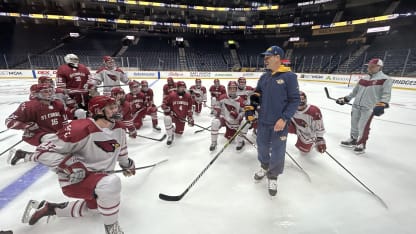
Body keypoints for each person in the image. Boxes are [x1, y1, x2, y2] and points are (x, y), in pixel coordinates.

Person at [21, 95, 135, 234]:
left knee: (97, 208)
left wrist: (127, 164)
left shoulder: (119, 128)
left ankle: (50, 208)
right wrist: (70, 164)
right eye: (111, 108)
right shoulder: (79, 128)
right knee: (111, 184)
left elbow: (120, 149)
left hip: (100, 179)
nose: (116, 110)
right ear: (98, 110)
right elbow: (42, 151)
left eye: (116, 107)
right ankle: (113, 230)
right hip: (76, 179)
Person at [245, 45, 300, 196]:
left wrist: (284, 118)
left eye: (268, 56)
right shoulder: (264, 76)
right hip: (263, 121)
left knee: (277, 151)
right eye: (265, 57)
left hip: (279, 123)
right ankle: (264, 166)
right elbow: (257, 93)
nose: (265, 59)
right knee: (262, 147)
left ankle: (273, 175)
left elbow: (294, 100)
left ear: (277, 58)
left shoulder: (289, 77)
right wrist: (252, 106)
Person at [335, 58, 393, 154]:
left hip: (369, 108)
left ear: (379, 67)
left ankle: (361, 143)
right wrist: (346, 99)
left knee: (363, 126)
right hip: (356, 106)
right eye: (369, 66)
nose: (369, 68)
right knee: (354, 124)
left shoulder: (385, 79)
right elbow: (355, 91)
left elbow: (386, 94)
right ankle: (353, 139)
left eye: (372, 66)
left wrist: (382, 104)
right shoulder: (363, 78)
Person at [5, 83, 68, 165]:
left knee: (68, 148)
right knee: (60, 153)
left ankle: (24, 155)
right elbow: (9, 121)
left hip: (55, 134)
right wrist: (26, 126)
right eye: (45, 91)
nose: (50, 93)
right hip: (36, 135)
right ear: (36, 94)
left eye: (50, 91)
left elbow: (65, 121)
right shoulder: (28, 106)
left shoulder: (58, 104)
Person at [209, 81, 247, 151]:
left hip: (236, 123)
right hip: (225, 120)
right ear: (228, 89)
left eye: (234, 88)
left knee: (245, 122)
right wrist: (216, 110)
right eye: (230, 88)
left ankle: (240, 141)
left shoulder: (241, 101)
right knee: (215, 122)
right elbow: (217, 107)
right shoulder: (222, 97)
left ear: (236, 89)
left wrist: (238, 116)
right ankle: (214, 142)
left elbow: (244, 112)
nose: (232, 90)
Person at [161, 81, 194, 146]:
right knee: (167, 118)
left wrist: (190, 117)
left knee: (179, 134)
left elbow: (190, 108)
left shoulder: (188, 96)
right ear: (177, 88)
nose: (182, 88)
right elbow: (164, 103)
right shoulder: (172, 95)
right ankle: (170, 136)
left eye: (183, 87)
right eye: (180, 87)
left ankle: (172, 128)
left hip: (181, 117)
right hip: (173, 115)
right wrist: (165, 107)